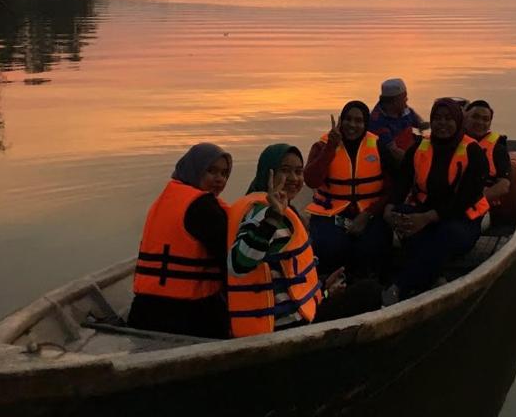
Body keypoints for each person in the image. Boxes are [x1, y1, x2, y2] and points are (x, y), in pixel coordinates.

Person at [226, 144, 380, 337]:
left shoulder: (280, 210)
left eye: (299, 172)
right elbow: (238, 263)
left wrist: (323, 287)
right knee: (370, 291)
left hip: (296, 315)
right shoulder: (262, 215)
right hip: (285, 326)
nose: (294, 178)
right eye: (285, 170)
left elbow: (288, 275)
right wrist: (272, 219)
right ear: (268, 173)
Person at [383, 98, 489, 302]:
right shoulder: (419, 149)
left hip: (462, 220)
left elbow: (465, 199)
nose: (442, 124)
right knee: (401, 216)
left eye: (448, 119)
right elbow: (402, 182)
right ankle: (434, 277)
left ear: (458, 121)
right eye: (437, 119)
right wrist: (389, 208)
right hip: (424, 214)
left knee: (444, 234)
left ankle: (399, 286)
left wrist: (428, 218)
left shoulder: (472, 152)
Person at [127, 143, 233, 338]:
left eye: (224, 174)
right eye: (212, 171)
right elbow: (232, 262)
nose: (219, 179)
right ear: (195, 170)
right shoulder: (203, 207)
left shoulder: (166, 198)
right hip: (188, 316)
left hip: (142, 312)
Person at [304, 100, 392, 280]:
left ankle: (369, 283)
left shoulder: (378, 146)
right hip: (330, 214)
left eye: (358, 121)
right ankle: (328, 284)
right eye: (348, 119)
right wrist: (331, 147)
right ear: (340, 120)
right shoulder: (322, 146)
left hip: (369, 213)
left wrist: (367, 215)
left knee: (374, 245)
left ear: (365, 124)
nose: (352, 125)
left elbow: (391, 189)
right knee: (331, 246)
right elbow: (311, 180)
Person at [368, 77, 428, 166]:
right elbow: (395, 152)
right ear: (395, 101)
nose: (407, 99)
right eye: (404, 97)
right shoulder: (377, 122)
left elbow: (420, 123)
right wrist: (416, 164)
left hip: (411, 148)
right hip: (396, 164)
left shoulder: (403, 109)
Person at [463, 99, 511, 205]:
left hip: (480, 207)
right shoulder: (452, 142)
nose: (480, 122)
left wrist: (475, 203)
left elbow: (504, 185)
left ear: (490, 124)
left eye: (485, 119)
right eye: (475, 117)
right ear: (464, 118)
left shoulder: (498, 149)